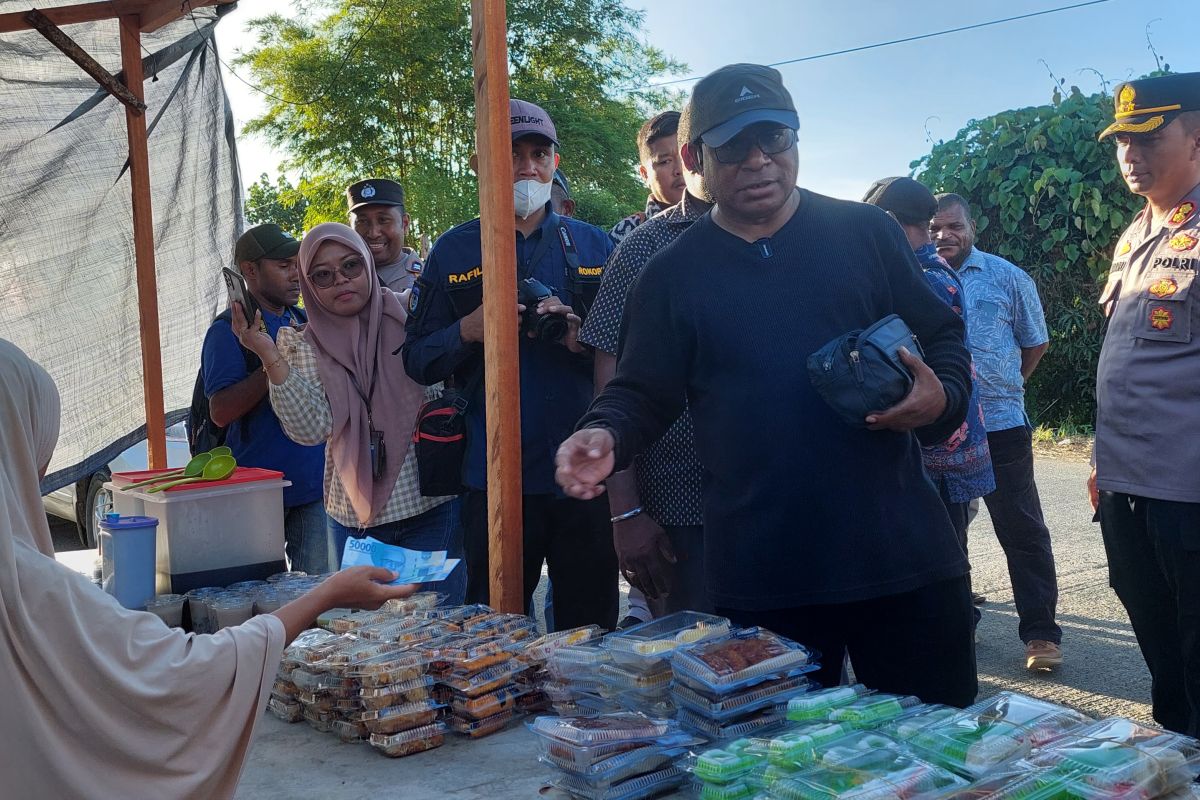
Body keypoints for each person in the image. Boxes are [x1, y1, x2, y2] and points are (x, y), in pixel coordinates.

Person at [557, 64, 977, 707]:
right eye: (733, 147)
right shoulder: (673, 273)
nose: (758, 161)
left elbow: (942, 335)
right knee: (777, 767)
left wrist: (941, 395)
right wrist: (604, 431)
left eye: (774, 140)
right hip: (763, 575)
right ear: (696, 159)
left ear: (796, 142)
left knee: (941, 758)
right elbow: (641, 390)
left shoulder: (864, 234)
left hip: (898, 554)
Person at [0, 337, 414, 798]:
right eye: (39, 445)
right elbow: (186, 674)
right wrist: (327, 594)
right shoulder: (29, 589)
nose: (43, 468)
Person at [404, 98, 619, 631]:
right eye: (511, 154)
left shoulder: (595, 244)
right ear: (480, 164)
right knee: (494, 632)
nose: (526, 168)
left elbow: (632, 357)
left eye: (538, 154)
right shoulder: (452, 252)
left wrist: (580, 339)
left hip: (581, 475)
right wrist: (468, 330)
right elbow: (417, 359)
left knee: (589, 633)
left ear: (555, 162)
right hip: (491, 477)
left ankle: (583, 717)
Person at [232, 223, 466, 604]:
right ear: (309, 285)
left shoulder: (411, 316)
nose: (340, 280)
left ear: (368, 266)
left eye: (351, 266)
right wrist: (267, 354)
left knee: (438, 635)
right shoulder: (303, 345)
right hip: (355, 523)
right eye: (322, 275)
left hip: (430, 508)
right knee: (370, 642)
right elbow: (311, 429)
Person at [1091, 72, 1200, 736]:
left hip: (1189, 492)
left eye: (1149, 134)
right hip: (1127, 485)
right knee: (1162, 650)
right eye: (1122, 139)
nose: (1131, 151)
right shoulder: (1135, 235)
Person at [579, 103, 713, 627]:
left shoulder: (801, 238)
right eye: (667, 160)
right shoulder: (641, 249)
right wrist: (626, 510)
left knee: (798, 679)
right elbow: (610, 382)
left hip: (785, 504)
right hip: (678, 506)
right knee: (694, 670)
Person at [931, 193, 1062, 671]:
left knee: (1022, 530)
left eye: (953, 226)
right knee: (945, 535)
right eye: (933, 228)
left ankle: (1042, 635)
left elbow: (1036, 342)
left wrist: (1006, 388)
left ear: (971, 228)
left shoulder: (1008, 278)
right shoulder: (912, 278)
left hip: (1002, 427)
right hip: (939, 431)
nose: (943, 236)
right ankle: (955, 627)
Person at [863, 178, 995, 552]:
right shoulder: (924, 270)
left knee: (941, 558)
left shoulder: (925, 280)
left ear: (889, 222)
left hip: (936, 446)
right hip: (936, 442)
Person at [201, 224, 328, 573]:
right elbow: (220, 412)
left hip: (315, 489)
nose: (296, 274)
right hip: (256, 495)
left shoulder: (305, 320)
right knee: (264, 609)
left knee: (318, 603)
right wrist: (272, 359)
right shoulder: (226, 331)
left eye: (298, 264)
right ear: (250, 270)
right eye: (284, 265)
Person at [609, 111, 686, 244]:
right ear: (644, 174)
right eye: (665, 161)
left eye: (685, 157)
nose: (680, 170)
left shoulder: (726, 220)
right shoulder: (624, 235)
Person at [347, 178, 423, 294]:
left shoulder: (427, 278)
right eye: (362, 222)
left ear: (405, 224)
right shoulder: (339, 279)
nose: (373, 233)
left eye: (383, 220)